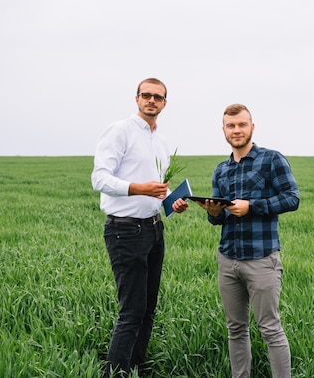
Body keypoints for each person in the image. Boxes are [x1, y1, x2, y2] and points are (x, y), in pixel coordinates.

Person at [187, 104, 300, 377]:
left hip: (261, 259)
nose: (236, 130)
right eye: (230, 126)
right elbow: (219, 219)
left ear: (252, 127)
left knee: (270, 329)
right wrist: (213, 212)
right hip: (228, 260)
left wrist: (252, 206)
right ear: (223, 130)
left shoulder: (272, 160)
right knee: (235, 329)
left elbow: (292, 198)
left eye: (241, 125)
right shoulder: (221, 170)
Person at [91, 77, 188, 377]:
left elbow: (156, 191)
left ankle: (135, 368)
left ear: (165, 103)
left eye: (158, 97)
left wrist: (171, 203)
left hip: (154, 229)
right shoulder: (120, 131)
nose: (151, 101)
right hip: (125, 231)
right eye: (146, 95)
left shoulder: (161, 142)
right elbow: (99, 179)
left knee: (147, 309)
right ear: (136, 99)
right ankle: (115, 372)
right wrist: (138, 189)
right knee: (131, 310)